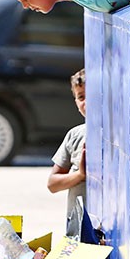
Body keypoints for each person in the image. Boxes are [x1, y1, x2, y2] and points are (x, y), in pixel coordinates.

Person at [48, 69, 87, 225]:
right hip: (79, 227)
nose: (86, 102)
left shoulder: (117, 136)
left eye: (92, 95)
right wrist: (80, 175)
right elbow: (52, 184)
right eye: (81, 97)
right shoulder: (75, 135)